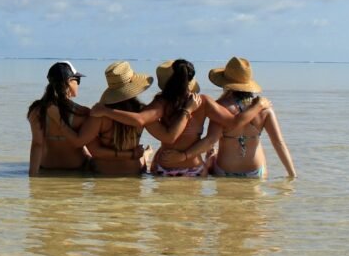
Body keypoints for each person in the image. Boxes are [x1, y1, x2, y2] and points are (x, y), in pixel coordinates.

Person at [96, 59, 271, 177]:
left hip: (163, 167)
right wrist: (258, 106)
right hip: (194, 169)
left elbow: (140, 120)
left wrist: (106, 111)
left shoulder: (160, 103)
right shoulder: (203, 102)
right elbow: (234, 122)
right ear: (190, 80)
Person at [165, 57, 296, 178]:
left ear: (225, 83)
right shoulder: (264, 109)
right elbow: (279, 143)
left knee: (212, 156)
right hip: (256, 171)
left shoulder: (220, 107)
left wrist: (184, 156)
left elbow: (210, 140)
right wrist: (292, 175)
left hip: (224, 170)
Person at [27, 61, 92, 176]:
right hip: (76, 167)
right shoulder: (81, 112)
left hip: (47, 166)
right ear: (69, 82)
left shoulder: (37, 111)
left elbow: (37, 144)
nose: (78, 84)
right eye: (77, 80)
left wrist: (32, 178)